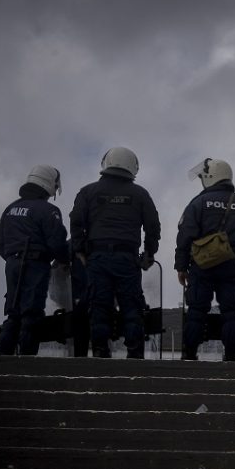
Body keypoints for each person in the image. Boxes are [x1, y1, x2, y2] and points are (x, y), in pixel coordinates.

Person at [70, 147, 161, 359]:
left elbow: (76, 223)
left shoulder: (88, 192)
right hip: (127, 259)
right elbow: (153, 226)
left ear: (106, 163)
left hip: (97, 258)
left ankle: (101, 353)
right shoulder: (140, 194)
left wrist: (80, 250)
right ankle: (135, 355)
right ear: (133, 166)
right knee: (131, 307)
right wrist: (149, 253)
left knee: (99, 306)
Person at [175, 158, 235, 361]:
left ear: (209, 177)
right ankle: (231, 356)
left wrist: (181, 267)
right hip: (232, 266)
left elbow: (184, 237)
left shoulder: (197, 203)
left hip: (201, 266)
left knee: (196, 311)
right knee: (231, 312)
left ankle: (189, 355)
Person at [0, 165, 69, 355]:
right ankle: (27, 360)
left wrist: (14, 258)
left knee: (14, 312)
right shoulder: (48, 210)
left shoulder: (11, 208)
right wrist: (64, 260)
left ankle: (2, 357)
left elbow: (0, 244)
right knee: (31, 314)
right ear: (50, 185)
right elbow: (57, 243)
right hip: (35, 266)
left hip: (11, 265)